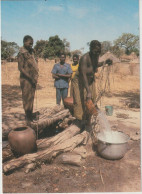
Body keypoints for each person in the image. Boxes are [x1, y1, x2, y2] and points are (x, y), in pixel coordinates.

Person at [72, 40, 112, 128]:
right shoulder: (84, 58)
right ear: (90, 49)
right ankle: (80, 121)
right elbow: (83, 75)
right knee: (80, 101)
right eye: (95, 51)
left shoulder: (96, 56)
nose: (97, 53)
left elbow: (95, 64)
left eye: (98, 51)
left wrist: (105, 62)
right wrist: (88, 91)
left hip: (90, 79)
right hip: (80, 81)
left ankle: (88, 120)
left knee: (92, 100)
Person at [18, 35, 39, 122]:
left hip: (32, 79)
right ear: (24, 42)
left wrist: (34, 78)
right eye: (30, 43)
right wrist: (30, 78)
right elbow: (21, 68)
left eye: (32, 44)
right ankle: (28, 117)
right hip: (26, 79)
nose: (31, 45)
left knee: (31, 97)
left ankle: (30, 115)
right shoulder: (21, 53)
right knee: (26, 97)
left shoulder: (31, 52)